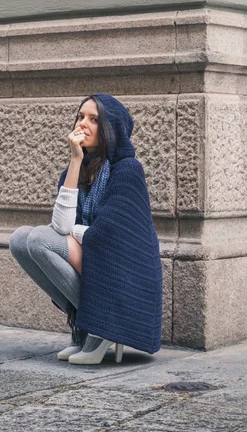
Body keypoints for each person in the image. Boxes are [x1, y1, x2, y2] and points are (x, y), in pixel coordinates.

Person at [9, 93, 162, 365]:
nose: (83, 124)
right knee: (21, 239)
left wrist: (74, 233)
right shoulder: (74, 170)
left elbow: (109, 234)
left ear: (110, 127)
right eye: (80, 116)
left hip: (123, 271)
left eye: (94, 119)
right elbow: (62, 225)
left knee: (40, 239)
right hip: (92, 256)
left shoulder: (127, 170)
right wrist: (75, 161)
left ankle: (101, 329)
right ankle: (83, 327)